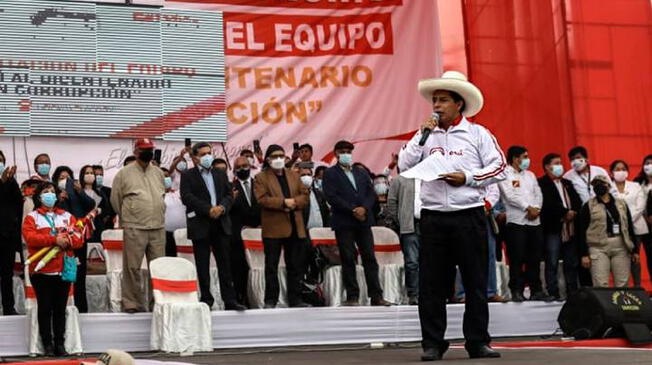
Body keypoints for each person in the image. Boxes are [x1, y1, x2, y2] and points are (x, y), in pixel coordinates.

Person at [399, 71, 506, 360]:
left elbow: (500, 168)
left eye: (443, 100)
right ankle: (433, 343)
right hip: (434, 217)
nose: (437, 105)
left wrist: (468, 178)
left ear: (459, 104)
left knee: (475, 282)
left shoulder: (478, 134)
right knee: (431, 284)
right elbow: (403, 164)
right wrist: (421, 137)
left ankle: (478, 341)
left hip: (468, 216)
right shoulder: (424, 135)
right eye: (434, 100)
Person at [323, 140, 391, 307]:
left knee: (369, 258)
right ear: (336, 153)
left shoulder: (360, 173)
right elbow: (332, 196)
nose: (346, 154)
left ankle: (376, 296)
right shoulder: (330, 173)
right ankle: (353, 296)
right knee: (348, 259)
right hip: (344, 221)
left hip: (364, 220)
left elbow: (371, 194)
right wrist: (353, 210)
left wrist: (364, 209)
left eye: (349, 151)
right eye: (343, 151)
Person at [180, 142, 244, 311]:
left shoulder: (219, 173)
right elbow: (187, 197)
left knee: (225, 265)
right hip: (201, 223)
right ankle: (206, 299)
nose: (207, 156)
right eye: (203, 154)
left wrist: (222, 208)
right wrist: (208, 210)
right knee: (202, 265)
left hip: (221, 223)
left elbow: (229, 194)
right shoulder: (188, 175)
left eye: (209, 153)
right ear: (195, 157)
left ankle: (230, 300)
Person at [23, 181, 83, 356]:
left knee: (59, 308)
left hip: (63, 269)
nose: (50, 195)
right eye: (45, 192)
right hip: (41, 270)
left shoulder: (67, 215)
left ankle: (60, 343)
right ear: (39, 196)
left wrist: (67, 241)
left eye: (52, 191)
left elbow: (78, 238)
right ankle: (47, 344)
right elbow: (30, 238)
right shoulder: (32, 217)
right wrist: (53, 240)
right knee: (45, 307)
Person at [110, 138, 166, 313]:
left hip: (157, 227)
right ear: (136, 152)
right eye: (144, 149)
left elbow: (161, 195)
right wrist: (128, 217)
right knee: (132, 267)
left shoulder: (158, 172)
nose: (148, 152)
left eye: (150, 149)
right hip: (135, 227)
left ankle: (156, 301)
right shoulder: (124, 173)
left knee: (158, 268)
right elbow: (115, 199)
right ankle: (132, 302)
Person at [254, 145, 311, 308]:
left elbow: (304, 195)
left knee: (295, 265)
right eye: (275, 156)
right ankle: (271, 300)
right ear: (268, 159)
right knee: (271, 266)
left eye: (281, 155)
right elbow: (262, 199)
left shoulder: (294, 175)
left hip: (295, 225)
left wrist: (294, 202)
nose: (279, 159)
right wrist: (283, 202)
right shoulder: (261, 177)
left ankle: (295, 299)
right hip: (274, 228)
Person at [498, 146, 552, 302]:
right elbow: (509, 195)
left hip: (534, 222)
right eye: (525, 156)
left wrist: (536, 208)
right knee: (516, 258)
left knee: (534, 258)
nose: (527, 160)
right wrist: (527, 208)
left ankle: (536, 290)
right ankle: (516, 290)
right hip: (516, 221)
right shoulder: (505, 174)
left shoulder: (530, 175)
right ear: (515, 158)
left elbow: (538, 194)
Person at [577, 176, 638, 287]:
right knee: (600, 284)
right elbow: (581, 231)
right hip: (597, 247)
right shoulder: (588, 206)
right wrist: (583, 254)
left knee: (622, 284)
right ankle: (603, 305)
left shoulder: (621, 204)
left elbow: (629, 227)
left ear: (609, 186)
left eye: (602, 183)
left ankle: (620, 305)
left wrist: (635, 251)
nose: (599, 186)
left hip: (621, 245)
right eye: (595, 184)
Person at [538, 153, 583, 300]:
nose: (560, 166)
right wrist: (564, 213)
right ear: (547, 166)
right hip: (553, 228)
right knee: (552, 261)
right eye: (556, 163)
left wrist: (573, 212)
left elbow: (577, 200)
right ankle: (553, 292)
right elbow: (547, 204)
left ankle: (573, 293)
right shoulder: (541, 183)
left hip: (570, 228)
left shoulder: (566, 183)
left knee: (571, 262)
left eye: (560, 163)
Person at [52, 166, 96, 313]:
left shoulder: (78, 193)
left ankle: (81, 307)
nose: (65, 181)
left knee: (79, 274)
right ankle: (62, 306)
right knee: (62, 274)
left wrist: (80, 191)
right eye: (61, 178)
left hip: (78, 239)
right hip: (61, 241)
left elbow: (91, 205)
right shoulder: (53, 194)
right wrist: (57, 199)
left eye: (68, 178)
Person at [610, 160, 649, 287]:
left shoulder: (635, 186)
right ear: (611, 172)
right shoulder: (608, 188)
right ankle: (622, 286)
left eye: (623, 169)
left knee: (635, 258)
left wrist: (627, 220)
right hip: (615, 228)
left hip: (636, 226)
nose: (620, 171)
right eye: (617, 169)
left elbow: (640, 206)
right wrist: (620, 221)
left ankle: (637, 286)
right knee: (619, 258)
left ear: (627, 171)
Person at [230, 156, 261, 306]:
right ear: (235, 170)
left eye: (245, 166)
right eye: (239, 167)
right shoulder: (230, 188)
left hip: (261, 234)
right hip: (239, 236)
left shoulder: (259, 185)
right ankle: (241, 297)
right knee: (240, 269)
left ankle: (260, 297)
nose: (243, 169)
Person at [387, 175, 421, 305]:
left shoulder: (429, 177)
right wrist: (400, 220)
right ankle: (413, 294)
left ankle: (429, 293)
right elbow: (392, 201)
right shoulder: (400, 179)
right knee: (411, 262)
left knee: (429, 262)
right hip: (409, 225)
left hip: (429, 224)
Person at [0, 152, 21, 315]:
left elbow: (17, 205)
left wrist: (8, 182)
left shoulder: (12, 182)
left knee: (7, 274)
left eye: (1, 161)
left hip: (7, 235)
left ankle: (8, 307)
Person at [633, 154, 652, 281]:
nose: (649, 166)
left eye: (651, 163)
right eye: (646, 163)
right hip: (638, 222)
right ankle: (637, 287)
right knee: (635, 256)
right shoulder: (637, 182)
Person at [161, 168, 186, 257]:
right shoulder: (155, 196)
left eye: (167, 176)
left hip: (184, 235)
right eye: (162, 176)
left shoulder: (179, 193)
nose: (165, 178)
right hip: (165, 235)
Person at [92, 165, 116, 234]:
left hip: (107, 226)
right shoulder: (87, 191)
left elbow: (113, 207)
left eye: (101, 175)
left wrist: (107, 216)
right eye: (96, 175)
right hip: (93, 224)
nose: (99, 177)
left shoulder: (109, 191)